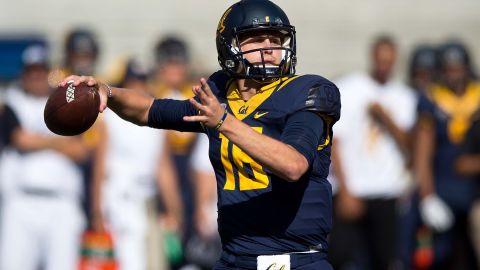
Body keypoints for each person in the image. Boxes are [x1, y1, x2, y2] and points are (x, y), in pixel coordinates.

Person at [60, 0, 341, 269]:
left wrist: (223, 122)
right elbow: (150, 110)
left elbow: (293, 165)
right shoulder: (220, 93)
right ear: (230, 46)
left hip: (294, 259)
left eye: (276, 40)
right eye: (257, 39)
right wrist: (106, 91)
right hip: (234, 258)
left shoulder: (307, 92)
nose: (270, 48)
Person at [327, 36, 417, 270]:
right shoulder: (350, 88)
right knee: (341, 256)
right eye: (381, 60)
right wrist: (346, 190)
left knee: (385, 258)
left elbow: (410, 144)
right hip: (353, 189)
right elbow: (336, 142)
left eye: (390, 61)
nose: (384, 66)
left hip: (386, 191)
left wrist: (385, 118)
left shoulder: (404, 96)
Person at [0, 44, 90, 270]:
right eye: (31, 72)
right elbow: (20, 139)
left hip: (62, 202)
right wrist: (58, 142)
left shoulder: (70, 103)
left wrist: (40, 141)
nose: (36, 77)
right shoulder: (12, 102)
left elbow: (80, 151)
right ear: (23, 74)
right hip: (22, 201)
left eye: (41, 71)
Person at [90, 59, 182, 270]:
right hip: (120, 198)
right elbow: (100, 165)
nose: (138, 86)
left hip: (147, 201)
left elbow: (163, 166)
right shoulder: (110, 118)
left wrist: (175, 208)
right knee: (131, 263)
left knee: (156, 263)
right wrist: (97, 210)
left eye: (142, 81)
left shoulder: (157, 118)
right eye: (133, 81)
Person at [413, 40, 479, 269]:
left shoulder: (477, 96)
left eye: (458, 67)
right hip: (443, 189)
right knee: (432, 256)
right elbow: (423, 151)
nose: (454, 74)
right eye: (449, 69)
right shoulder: (431, 99)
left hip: (474, 192)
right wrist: (427, 195)